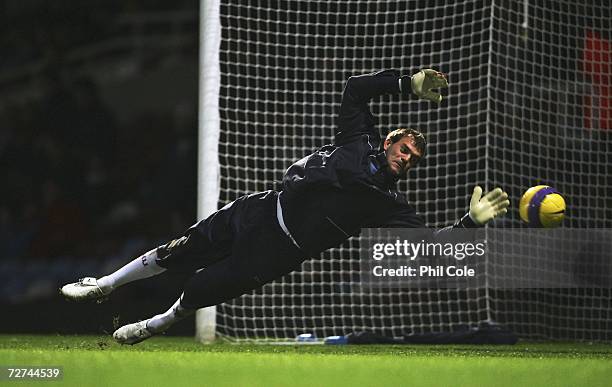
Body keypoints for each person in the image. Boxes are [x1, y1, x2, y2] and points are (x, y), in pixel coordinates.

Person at [61, 69, 509, 345]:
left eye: (414, 158)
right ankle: (105, 285)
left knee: (202, 290)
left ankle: (157, 324)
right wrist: (406, 84)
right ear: (389, 139)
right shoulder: (358, 138)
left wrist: (470, 222)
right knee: (181, 248)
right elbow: (355, 90)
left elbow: (426, 245)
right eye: (405, 148)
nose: (406, 158)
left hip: (279, 250)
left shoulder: (387, 203)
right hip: (259, 208)